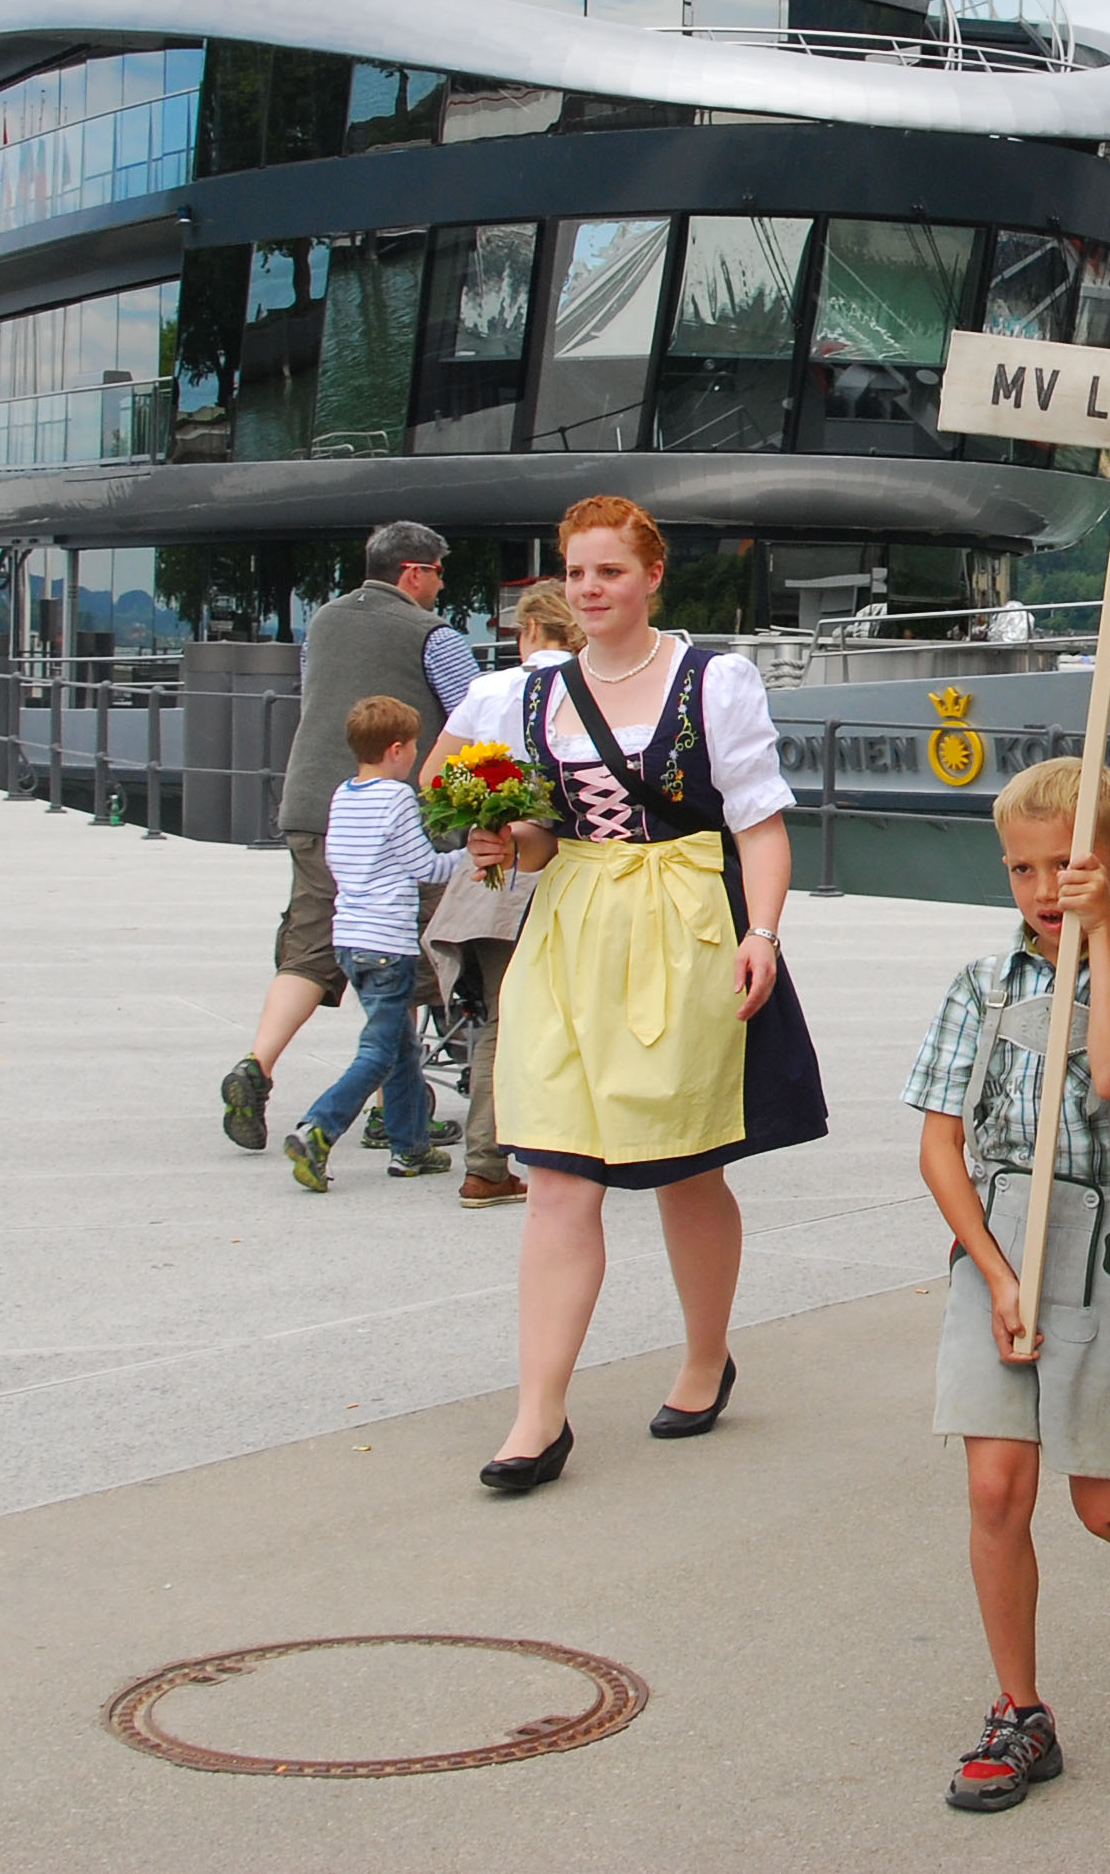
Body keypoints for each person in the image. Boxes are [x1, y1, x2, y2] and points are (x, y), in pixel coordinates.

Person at [464, 497, 828, 1494]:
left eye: (609, 572)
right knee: (555, 1173)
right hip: (571, 929)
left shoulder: (711, 680)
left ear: (651, 577)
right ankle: (538, 1413)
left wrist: (762, 934)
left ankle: (706, 1357)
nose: (589, 589)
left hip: (683, 924)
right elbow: (542, 842)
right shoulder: (530, 695)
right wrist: (502, 839)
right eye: (576, 572)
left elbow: (758, 824)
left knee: (684, 1166)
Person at [907, 759, 1110, 1812]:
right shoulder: (980, 984)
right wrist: (993, 1272)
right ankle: (1020, 1712)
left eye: (1066, 868)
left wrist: (1101, 944)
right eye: (1022, 870)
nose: (1043, 890)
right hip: (995, 1241)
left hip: (1106, 1248)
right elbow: (940, 1148)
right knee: (996, 1490)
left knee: (1100, 1505)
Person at [220, 521, 481, 1153]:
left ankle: (256, 1066)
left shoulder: (322, 622)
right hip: (399, 809)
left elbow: (315, 693)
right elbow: (475, 715)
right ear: (414, 572)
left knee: (309, 946)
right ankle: (393, 1112)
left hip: (316, 804)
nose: (441, 587)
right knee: (402, 946)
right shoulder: (433, 635)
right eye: (439, 573)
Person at [421, 581, 583, 1210]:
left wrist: (486, 814)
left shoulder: (488, 689)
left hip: (493, 875)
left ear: (529, 629)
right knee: (579, 1012)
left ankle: (486, 1164)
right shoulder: (593, 686)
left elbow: (433, 776)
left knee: (500, 1016)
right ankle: (576, 1147)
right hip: (571, 869)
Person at [278, 693, 472, 1191]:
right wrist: (471, 856)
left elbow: (339, 862)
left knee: (403, 1048)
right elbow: (425, 866)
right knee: (380, 1052)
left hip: (350, 940)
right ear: (395, 749)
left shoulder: (344, 794)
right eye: (414, 746)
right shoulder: (396, 798)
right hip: (389, 942)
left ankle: (411, 1147)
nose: (416, 754)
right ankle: (318, 1128)